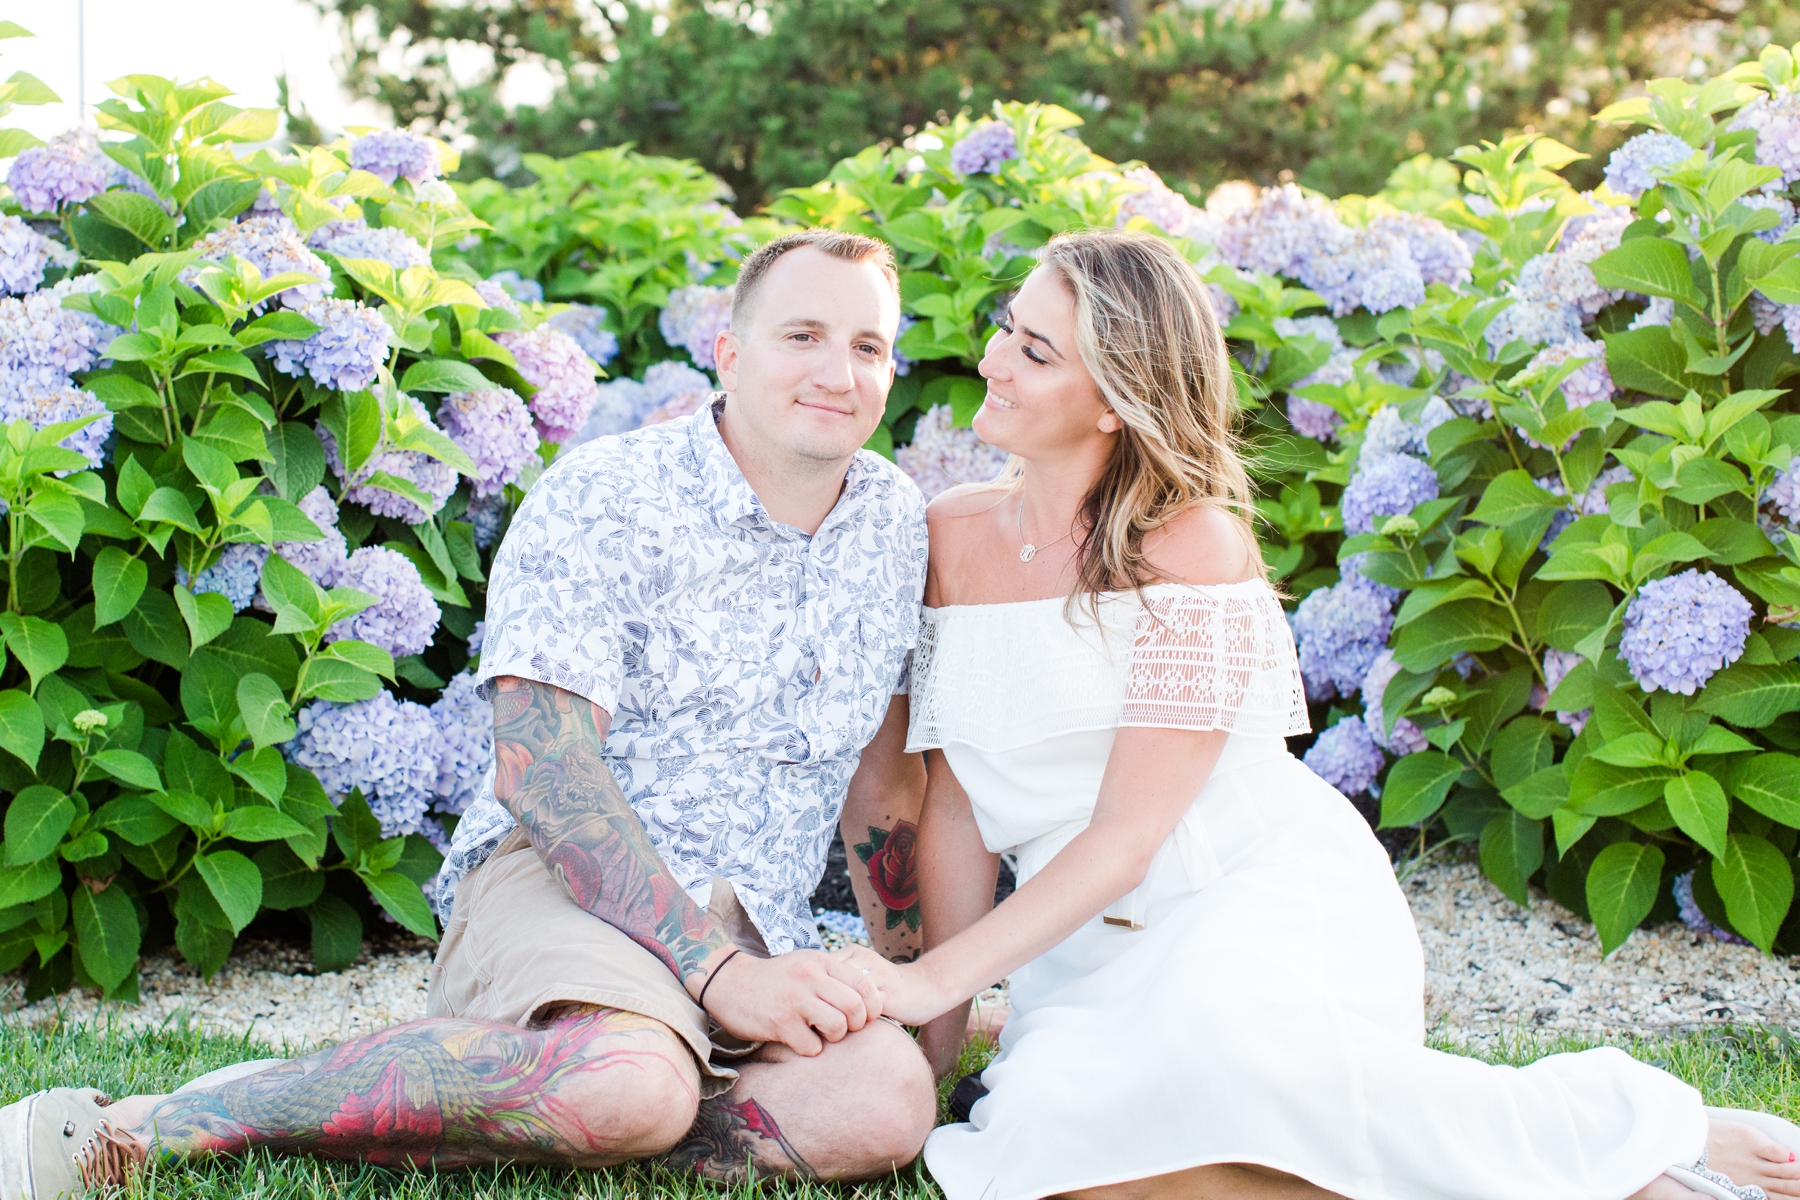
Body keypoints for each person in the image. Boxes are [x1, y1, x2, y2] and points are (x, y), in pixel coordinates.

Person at [835, 228, 1800, 1200]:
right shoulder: (948, 537)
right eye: (1010, 330)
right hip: (1080, 945)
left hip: (1250, 893)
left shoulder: (1191, 547)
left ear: (1117, 405)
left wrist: (924, 981)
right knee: (1054, 1148)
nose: (994, 362)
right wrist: (936, 1039)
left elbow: (1129, 837)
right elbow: (954, 805)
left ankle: (1629, 1143)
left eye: (1037, 353)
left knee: (1231, 1076)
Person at [0, 230, 937, 1200]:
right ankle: (176, 1121)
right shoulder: (610, 495)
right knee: (631, 1085)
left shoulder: (892, 522)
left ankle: (539, 1095)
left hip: (762, 926)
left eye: (868, 347)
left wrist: (921, 995)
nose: (839, 371)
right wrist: (716, 976)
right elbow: (547, 772)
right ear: (730, 354)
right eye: (804, 336)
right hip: (562, 884)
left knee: (886, 1104)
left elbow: (883, 785)